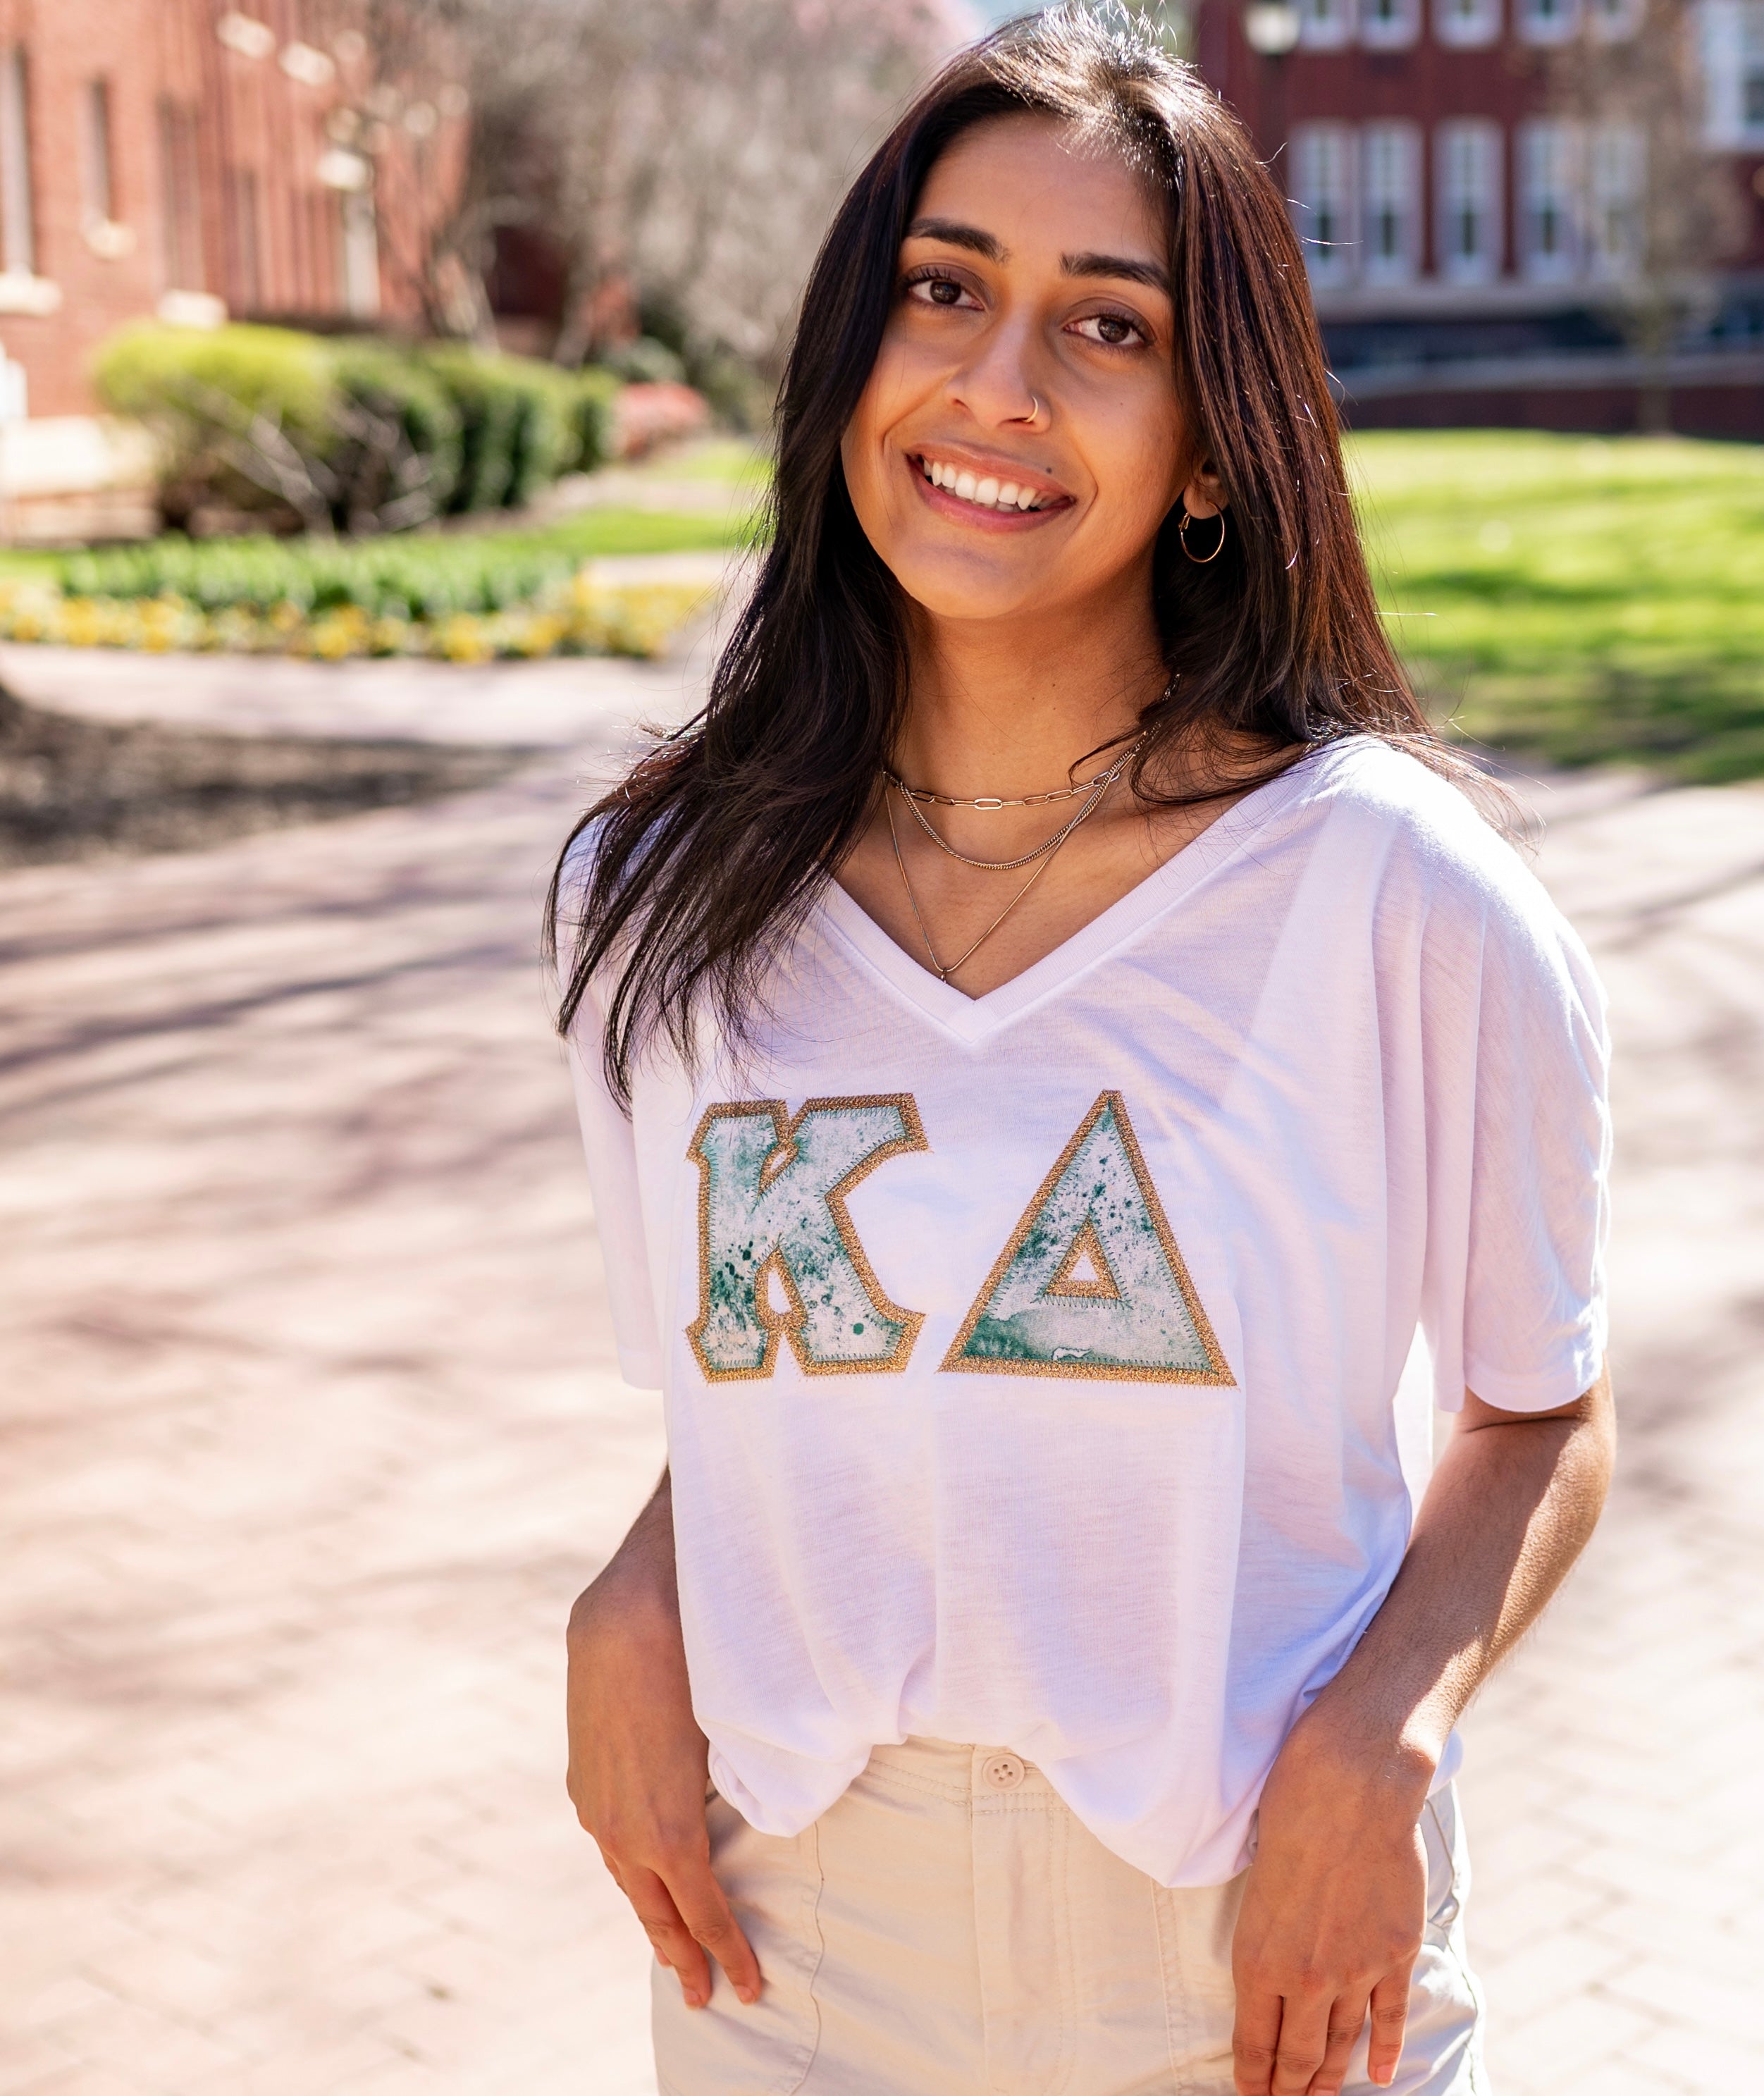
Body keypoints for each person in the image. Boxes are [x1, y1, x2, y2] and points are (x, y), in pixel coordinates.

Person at [550, 12, 1612, 2095]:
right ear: (856, 350)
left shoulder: (1392, 891)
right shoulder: (658, 894)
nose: (996, 384)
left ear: (1218, 439)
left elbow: (1541, 1411)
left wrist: (1389, 1735)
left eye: (1105, 327)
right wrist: (630, 1587)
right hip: (786, 1952)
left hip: (1250, 1941)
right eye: (944, 291)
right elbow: (792, 1371)